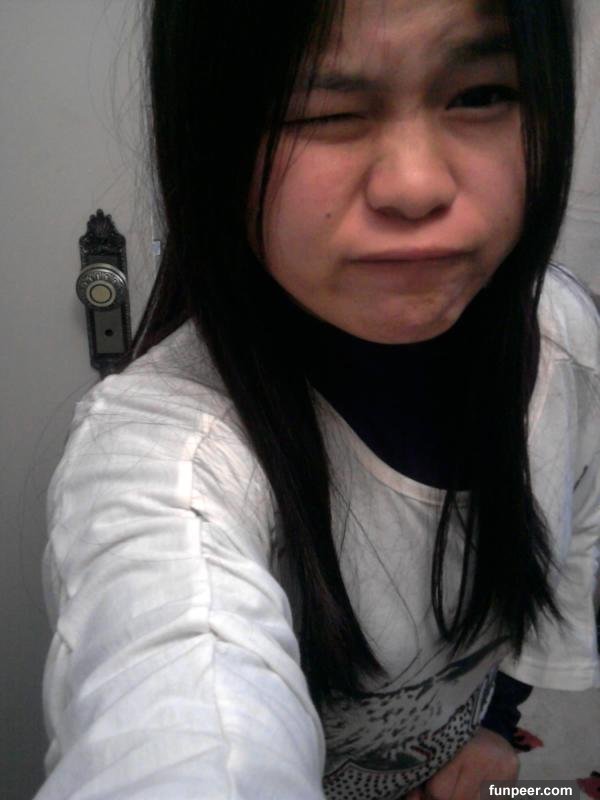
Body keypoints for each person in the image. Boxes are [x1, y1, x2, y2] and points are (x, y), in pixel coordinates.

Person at [36, 0, 600, 798]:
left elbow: (572, 530)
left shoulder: (564, 334)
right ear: (211, 144)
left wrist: (497, 726)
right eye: (323, 109)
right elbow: (185, 718)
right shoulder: (163, 463)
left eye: (481, 94)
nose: (416, 185)